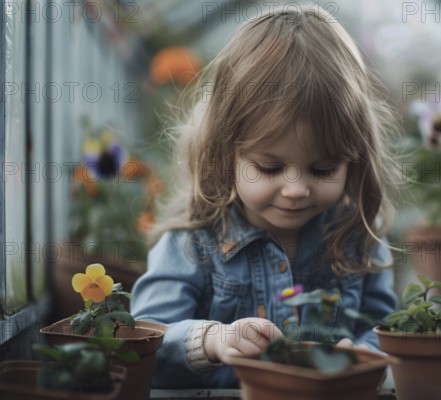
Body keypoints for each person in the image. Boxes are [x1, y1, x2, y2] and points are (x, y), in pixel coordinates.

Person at [131, 4, 402, 389]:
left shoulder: (358, 234)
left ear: (354, 159)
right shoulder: (194, 240)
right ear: (225, 152)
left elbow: (384, 328)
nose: (295, 189)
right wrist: (211, 341)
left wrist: (361, 356)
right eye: (269, 168)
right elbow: (146, 343)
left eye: (323, 169)